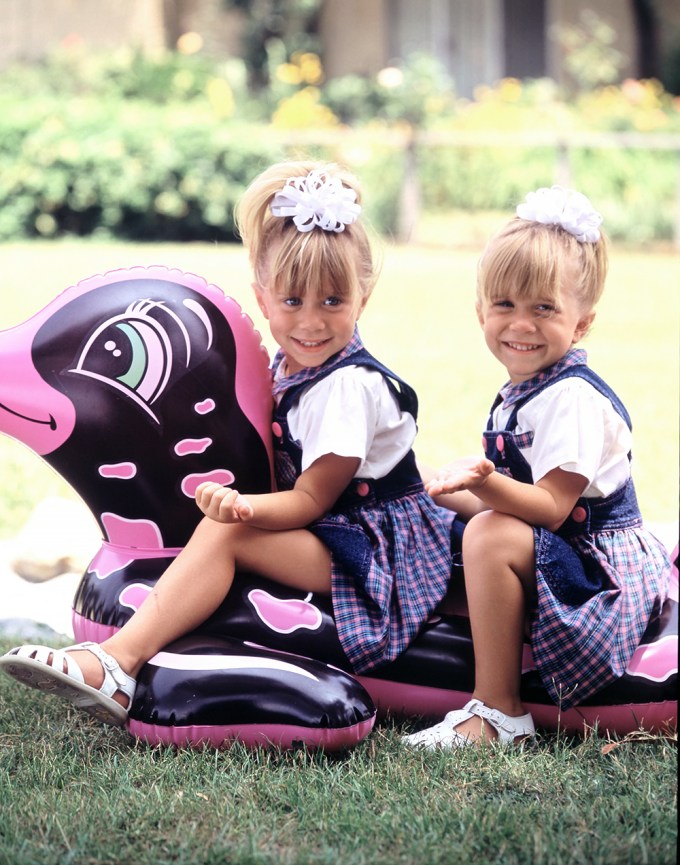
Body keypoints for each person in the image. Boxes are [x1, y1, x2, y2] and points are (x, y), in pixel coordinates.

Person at [0, 160, 459, 725]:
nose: (311, 321)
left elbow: (312, 501)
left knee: (227, 532)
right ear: (262, 298)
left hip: (374, 551)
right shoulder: (296, 365)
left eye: (332, 302)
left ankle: (117, 663)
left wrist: (242, 508)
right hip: (341, 532)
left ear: (363, 297)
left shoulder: (346, 389)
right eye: (293, 302)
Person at [403, 186, 672, 749]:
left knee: (488, 534)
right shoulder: (527, 390)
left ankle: (499, 711)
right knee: (454, 525)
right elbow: (504, 502)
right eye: (504, 304)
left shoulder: (571, 397)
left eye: (543, 308)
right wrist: (430, 486)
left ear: (581, 324)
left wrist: (483, 481)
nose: (520, 325)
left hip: (597, 580)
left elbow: (549, 507)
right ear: (480, 312)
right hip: (560, 552)